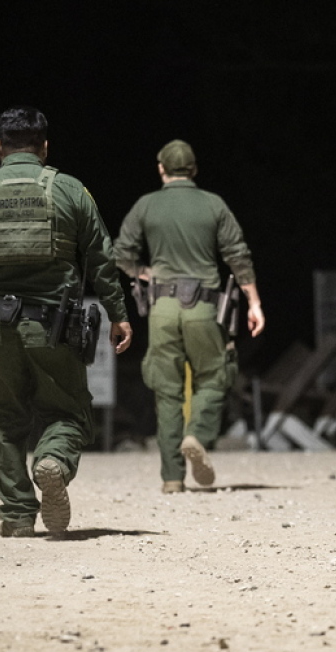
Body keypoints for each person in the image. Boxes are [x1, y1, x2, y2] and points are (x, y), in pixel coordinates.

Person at [0, 106, 132, 537]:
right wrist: (118, 314)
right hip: (55, 327)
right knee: (68, 412)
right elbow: (102, 258)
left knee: (2, 418)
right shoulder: (70, 190)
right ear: (44, 147)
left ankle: (17, 513)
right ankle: (54, 460)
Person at [114, 139, 264, 494]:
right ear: (194, 170)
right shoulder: (214, 204)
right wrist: (254, 302)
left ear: (161, 169)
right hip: (203, 306)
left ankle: (172, 477)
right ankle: (196, 434)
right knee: (214, 377)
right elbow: (238, 255)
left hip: (162, 308)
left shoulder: (146, 204)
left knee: (166, 391)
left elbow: (121, 253)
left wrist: (145, 273)